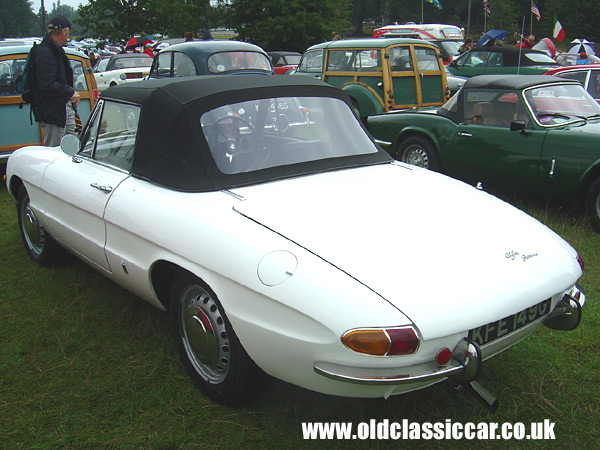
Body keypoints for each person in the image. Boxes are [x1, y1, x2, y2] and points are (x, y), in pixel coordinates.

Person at [32, 15, 79, 147]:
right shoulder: (44, 53)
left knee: (73, 144)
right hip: (52, 111)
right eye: (68, 32)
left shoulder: (56, 50)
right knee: (55, 150)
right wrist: (70, 92)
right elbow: (46, 84)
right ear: (63, 31)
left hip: (64, 106)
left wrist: (70, 93)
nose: (68, 36)